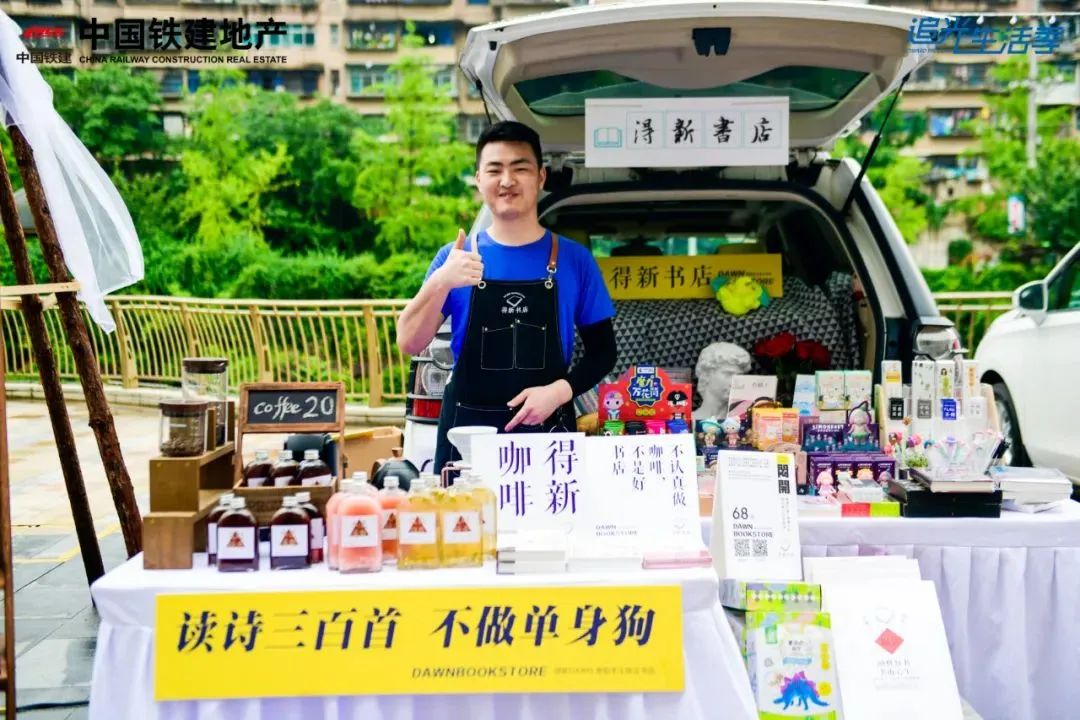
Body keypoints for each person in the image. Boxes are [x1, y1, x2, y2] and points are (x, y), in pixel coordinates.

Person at [397, 121, 617, 472]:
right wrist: (440, 282)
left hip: (546, 434)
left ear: (541, 177)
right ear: (478, 179)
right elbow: (409, 341)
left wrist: (559, 392)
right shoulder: (454, 258)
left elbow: (603, 351)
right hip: (466, 438)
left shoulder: (575, 260)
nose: (507, 180)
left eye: (520, 168)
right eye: (494, 169)